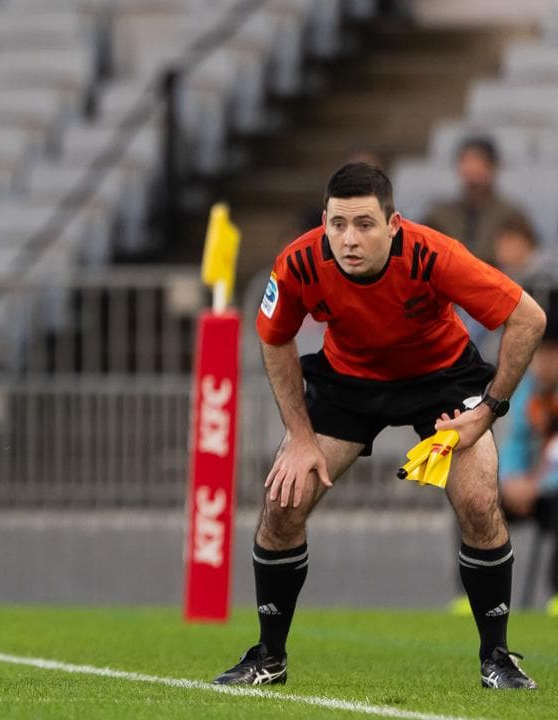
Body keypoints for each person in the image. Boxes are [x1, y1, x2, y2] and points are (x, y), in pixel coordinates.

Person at [214, 163, 546, 689]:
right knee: (283, 504)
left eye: (366, 224)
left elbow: (529, 317)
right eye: (339, 224)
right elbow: (274, 338)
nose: (350, 239)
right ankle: (268, 657)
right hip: (349, 384)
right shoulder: (298, 262)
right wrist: (300, 438)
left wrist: (487, 410)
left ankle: (497, 658)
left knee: (480, 502)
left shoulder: (432, 252)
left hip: (442, 380)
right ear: (324, 222)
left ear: (394, 225)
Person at [496, 289, 558, 615]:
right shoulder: (528, 393)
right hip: (528, 488)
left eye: (550, 354)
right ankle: (474, 596)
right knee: (478, 500)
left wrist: (539, 486)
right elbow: (515, 441)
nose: (542, 364)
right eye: (538, 355)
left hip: (549, 491)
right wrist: (510, 480)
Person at [423, 135, 535, 262]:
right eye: (465, 161)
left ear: (493, 166)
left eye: (478, 161)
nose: (471, 167)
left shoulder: (511, 215)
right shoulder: (439, 215)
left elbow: (525, 258)